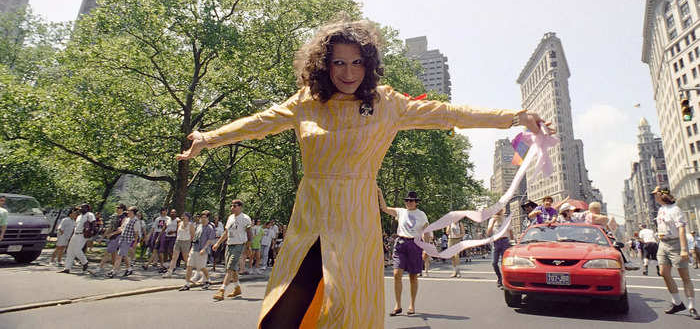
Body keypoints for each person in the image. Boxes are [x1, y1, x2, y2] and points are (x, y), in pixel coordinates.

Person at [177, 19, 547, 328]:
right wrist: (207, 138)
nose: (349, 72)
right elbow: (257, 124)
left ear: (369, 64)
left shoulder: (388, 104)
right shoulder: (307, 101)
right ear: (324, 65)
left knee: (345, 305)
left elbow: (450, 114)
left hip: (355, 218)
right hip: (309, 216)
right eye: (338, 63)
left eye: (356, 63)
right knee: (285, 306)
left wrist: (513, 118)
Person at [379, 189, 429, 317]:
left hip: (415, 244)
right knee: (396, 274)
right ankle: (398, 305)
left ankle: (412, 305)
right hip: (401, 243)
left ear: (416, 202)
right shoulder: (400, 212)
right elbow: (384, 208)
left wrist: (426, 248)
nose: (409, 202)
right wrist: (380, 193)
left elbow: (426, 232)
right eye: (407, 200)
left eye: (411, 201)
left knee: (413, 276)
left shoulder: (421, 214)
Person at [652, 186, 699, 319]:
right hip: (663, 244)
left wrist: (684, 249)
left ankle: (692, 307)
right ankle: (677, 303)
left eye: (656, 194)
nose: (654, 196)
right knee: (663, 272)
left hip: (676, 244)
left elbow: (681, 230)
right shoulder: (661, 209)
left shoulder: (675, 209)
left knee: (684, 276)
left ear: (662, 195)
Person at [212, 199, 252, 301]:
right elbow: (226, 232)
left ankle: (221, 291)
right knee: (232, 268)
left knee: (229, 268)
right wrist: (218, 243)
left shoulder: (245, 218)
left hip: (239, 245)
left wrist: (248, 247)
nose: (232, 208)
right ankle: (237, 288)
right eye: (231, 206)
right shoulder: (230, 218)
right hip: (229, 244)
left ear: (240, 207)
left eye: (234, 206)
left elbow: (249, 234)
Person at [180, 210, 216, 291]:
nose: (203, 219)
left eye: (204, 217)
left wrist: (204, 249)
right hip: (194, 248)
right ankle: (187, 284)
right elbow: (195, 238)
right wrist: (191, 248)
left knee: (202, 267)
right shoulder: (198, 226)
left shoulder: (209, 228)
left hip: (202, 250)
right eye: (201, 217)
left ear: (208, 218)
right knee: (189, 265)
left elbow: (210, 240)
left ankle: (208, 280)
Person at [60, 203, 95, 274]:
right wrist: (71, 236)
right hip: (75, 234)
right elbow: (75, 227)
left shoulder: (89, 214)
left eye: (82, 208)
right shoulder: (79, 216)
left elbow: (94, 224)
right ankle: (67, 268)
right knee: (70, 251)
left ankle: (85, 262)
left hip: (82, 235)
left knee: (77, 250)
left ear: (87, 208)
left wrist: (91, 233)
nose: (80, 209)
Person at [108, 206, 142, 278]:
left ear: (132, 212)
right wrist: (113, 233)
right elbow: (121, 229)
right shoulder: (127, 219)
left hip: (127, 240)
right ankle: (129, 269)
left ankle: (114, 271)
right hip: (122, 239)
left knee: (119, 255)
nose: (127, 212)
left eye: (129, 210)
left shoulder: (136, 221)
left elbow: (136, 233)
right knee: (124, 255)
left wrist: (135, 243)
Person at [486, 208, 513, 289]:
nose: (497, 212)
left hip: (505, 241)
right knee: (494, 263)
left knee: (504, 263)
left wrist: (512, 242)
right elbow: (488, 233)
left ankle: (504, 281)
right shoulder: (491, 220)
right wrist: (493, 223)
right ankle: (499, 277)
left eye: (499, 210)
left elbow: (511, 232)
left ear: (502, 211)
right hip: (495, 241)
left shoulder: (505, 219)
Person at [164, 212, 195, 278]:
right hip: (178, 241)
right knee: (174, 257)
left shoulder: (190, 225)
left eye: (185, 216)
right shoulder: (179, 223)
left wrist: (190, 243)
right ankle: (169, 272)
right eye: (183, 216)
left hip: (186, 241)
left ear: (188, 217)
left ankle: (190, 272)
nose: (183, 217)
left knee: (185, 258)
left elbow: (193, 235)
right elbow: (178, 232)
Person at [99, 204, 127, 273]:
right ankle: (115, 269)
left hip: (118, 237)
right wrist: (102, 237)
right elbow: (110, 228)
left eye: (119, 208)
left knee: (107, 252)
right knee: (113, 254)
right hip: (112, 237)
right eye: (116, 207)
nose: (117, 209)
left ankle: (100, 268)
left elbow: (121, 230)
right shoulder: (115, 217)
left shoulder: (124, 218)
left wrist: (112, 234)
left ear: (122, 209)